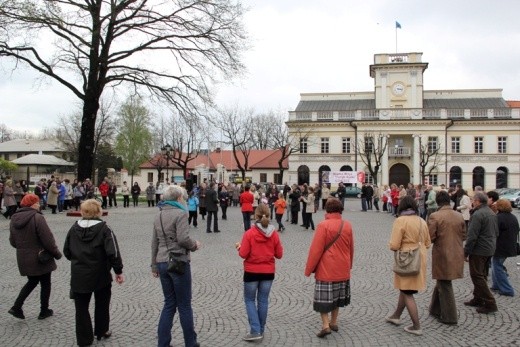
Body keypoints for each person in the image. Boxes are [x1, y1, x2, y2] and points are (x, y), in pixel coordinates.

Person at [63, 199, 124, 346]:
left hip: (79, 273)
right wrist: (118, 270)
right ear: (98, 211)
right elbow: (113, 252)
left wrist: (78, 260)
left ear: (83, 212)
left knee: (81, 307)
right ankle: (101, 330)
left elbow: (66, 251)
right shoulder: (105, 229)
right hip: (100, 272)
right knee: (102, 303)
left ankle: (84, 339)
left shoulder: (73, 229)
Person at [151, 185, 201, 347]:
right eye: (182, 197)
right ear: (178, 198)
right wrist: (194, 245)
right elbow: (183, 239)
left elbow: (155, 242)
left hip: (162, 262)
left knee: (169, 303)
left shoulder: (158, 215)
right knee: (185, 305)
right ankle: (190, 343)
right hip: (178, 262)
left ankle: (163, 343)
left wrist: (154, 265)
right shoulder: (181, 214)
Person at [304, 198, 354, 338]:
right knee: (337, 297)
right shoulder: (347, 225)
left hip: (327, 268)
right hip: (342, 267)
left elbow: (316, 250)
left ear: (327, 209)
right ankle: (334, 322)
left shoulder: (323, 225)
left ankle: (326, 325)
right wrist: (349, 265)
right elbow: (351, 248)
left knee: (324, 298)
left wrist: (309, 269)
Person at [8, 194, 62, 320]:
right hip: (40, 257)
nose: (39, 204)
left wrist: (24, 248)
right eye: (37, 202)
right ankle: (44, 310)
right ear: (32, 204)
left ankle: (17, 306)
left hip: (24, 257)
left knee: (32, 281)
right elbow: (48, 239)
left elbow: (12, 241)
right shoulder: (37, 218)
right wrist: (56, 253)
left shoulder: (14, 218)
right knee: (45, 283)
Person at [235, 204, 283, 341]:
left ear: (255, 216)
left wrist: (239, 247)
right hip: (268, 272)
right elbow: (279, 254)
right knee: (263, 301)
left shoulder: (249, 233)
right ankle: (260, 329)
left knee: (249, 300)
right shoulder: (274, 234)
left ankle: (255, 331)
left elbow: (243, 254)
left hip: (252, 271)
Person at [386, 196, 431, 336]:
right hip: (420, 256)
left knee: (407, 291)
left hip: (407, 258)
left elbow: (394, 245)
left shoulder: (401, 220)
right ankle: (396, 316)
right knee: (405, 288)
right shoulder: (421, 220)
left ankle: (416, 325)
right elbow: (428, 243)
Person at [427, 191, 466, 325]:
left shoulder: (435, 216)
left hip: (443, 254)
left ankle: (450, 317)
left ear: (437, 202)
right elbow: (464, 235)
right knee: (442, 280)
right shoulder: (459, 215)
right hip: (457, 252)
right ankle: (435, 309)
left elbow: (430, 237)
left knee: (445, 283)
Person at [463, 192, 498, 314]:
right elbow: (496, 232)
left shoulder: (478, 214)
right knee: (481, 275)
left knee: (477, 276)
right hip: (489, 248)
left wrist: (466, 252)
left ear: (477, 201)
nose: (472, 201)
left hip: (480, 249)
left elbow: (472, 236)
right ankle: (478, 298)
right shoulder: (490, 212)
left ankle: (490, 302)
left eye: (473, 199)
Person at [491, 199, 519, 297]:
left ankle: (507, 289)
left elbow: (494, 233)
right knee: (495, 265)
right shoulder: (513, 217)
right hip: (510, 246)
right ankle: (496, 285)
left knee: (497, 267)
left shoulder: (499, 218)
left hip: (500, 246)